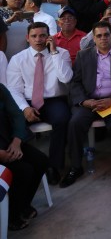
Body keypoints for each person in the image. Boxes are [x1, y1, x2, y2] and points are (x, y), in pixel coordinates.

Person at [62, 21, 111, 187]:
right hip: (90, 102)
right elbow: (76, 82)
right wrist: (84, 101)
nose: (103, 38)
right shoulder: (83, 55)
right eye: (99, 35)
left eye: (106, 35)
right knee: (74, 122)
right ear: (93, 38)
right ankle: (75, 166)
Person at [6, 22, 73, 184]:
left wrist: (54, 52)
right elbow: (14, 89)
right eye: (34, 36)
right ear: (27, 38)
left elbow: (66, 78)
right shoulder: (18, 59)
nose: (38, 39)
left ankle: (53, 166)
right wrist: (24, 108)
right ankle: (18, 166)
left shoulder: (61, 53)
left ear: (49, 37)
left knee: (62, 119)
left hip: (53, 100)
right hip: (26, 101)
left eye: (42, 35)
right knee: (10, 124)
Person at [0, 82, 49, 231]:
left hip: (9, 142)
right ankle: (10, 217)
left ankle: (22, 204)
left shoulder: (0, 89)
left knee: (40, 161)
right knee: (23, 170)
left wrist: (16, 141)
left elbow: (16, 115)